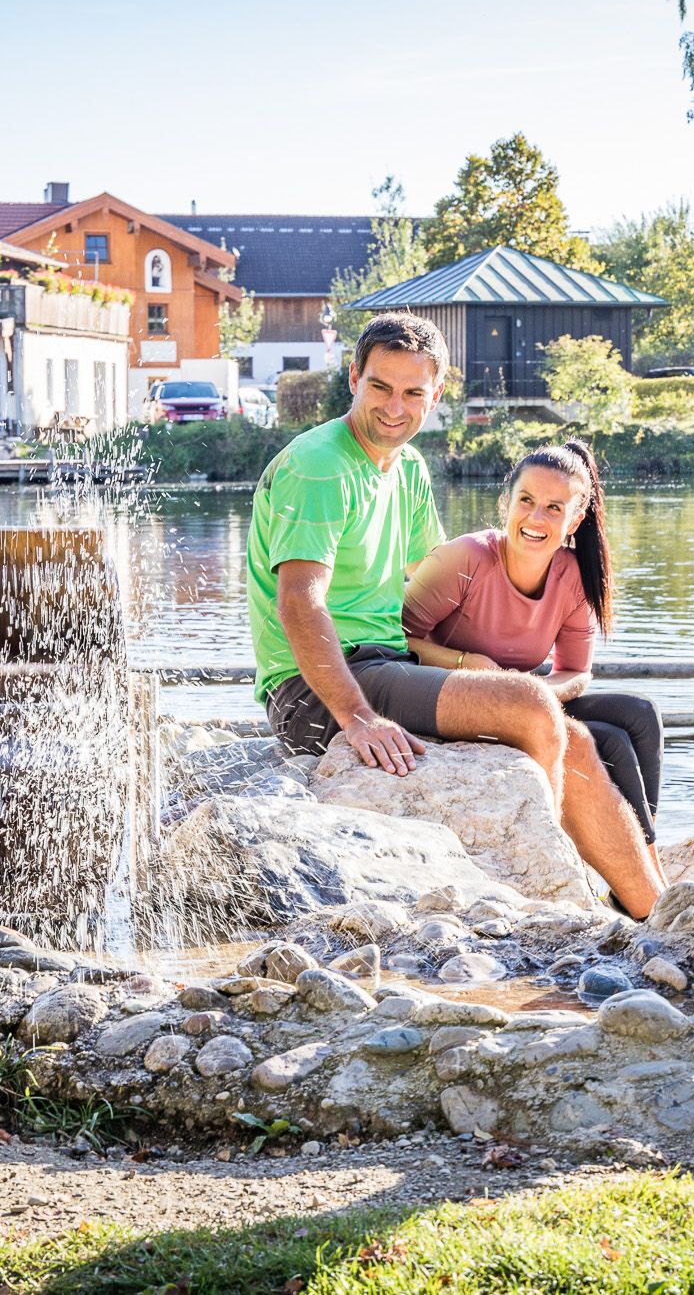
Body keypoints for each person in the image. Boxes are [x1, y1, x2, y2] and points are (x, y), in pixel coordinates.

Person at [246, 313, 665, 917]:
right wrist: (358, 719)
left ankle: (650, 913)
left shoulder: (408, 469)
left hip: (389, 665)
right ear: (353, 378)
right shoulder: (321, 466)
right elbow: (299, 603)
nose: (396, 406)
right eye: (380, 386)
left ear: (436, 395)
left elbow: (427, 575)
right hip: (314, 692)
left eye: (414, 392)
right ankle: (553, 882)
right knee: (530, 703)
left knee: (568, 733)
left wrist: (518, 580)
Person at [401, 441, 664, 845]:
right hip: (447, 699)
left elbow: (576, 670)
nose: (535, 517)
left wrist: (537, 693)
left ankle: (643, 852)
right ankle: (639, 878)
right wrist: (465, 662)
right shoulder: (467, 558)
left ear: (575, 521)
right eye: (526, 500)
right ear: (506, 503)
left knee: (639, 716)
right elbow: (394, 637)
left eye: (554, 508)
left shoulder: (573, 576)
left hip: (519, 702)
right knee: (608, 740)